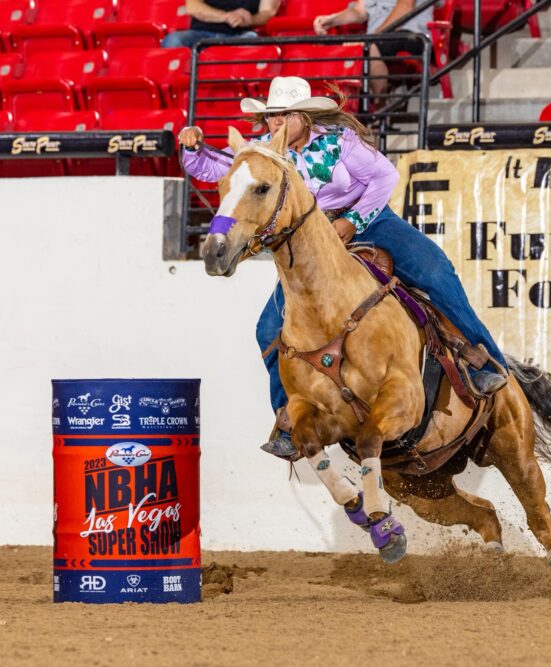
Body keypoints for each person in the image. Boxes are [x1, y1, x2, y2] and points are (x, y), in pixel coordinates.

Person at [179, 76, 509, 458]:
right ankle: (288, 417)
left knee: (435, 273)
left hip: (371, 222)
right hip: (311, 241)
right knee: (268, 329)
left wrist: (352, 220)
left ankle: (484, 360)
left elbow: (384, 176)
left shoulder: (339, 142)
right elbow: (216, 167)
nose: (276, 123)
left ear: (305, 116)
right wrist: (192, 147)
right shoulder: (265, 155)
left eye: (285, 114)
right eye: (271, 116)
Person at [312, 0, 433, 95]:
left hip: (412, 35)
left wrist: (373, 37)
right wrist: (331, 20)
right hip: (377, 37)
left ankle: (380, 105)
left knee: (367, 50)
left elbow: (405, 7)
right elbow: (360, 12)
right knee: (334, 47)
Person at [161, 0, 281, 48]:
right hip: (200, 33)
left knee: (249, 43)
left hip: (242, 33)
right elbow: (193, 7)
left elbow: (267, 12)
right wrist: (226, 17)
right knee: (173, 40)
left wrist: (249, 20)